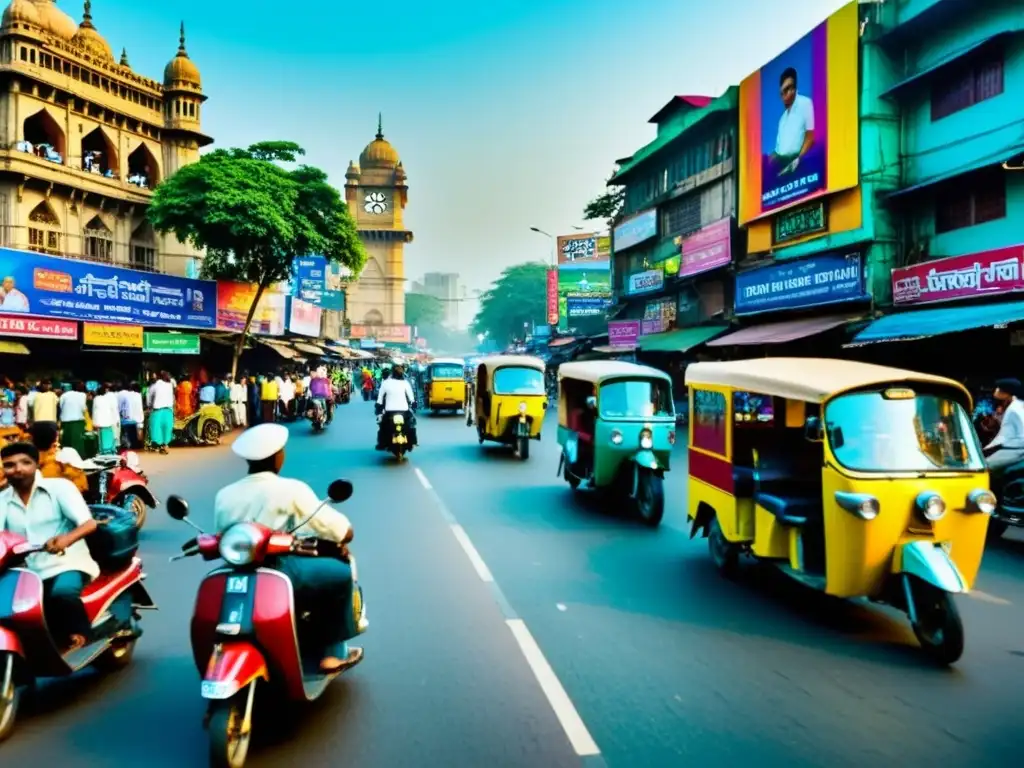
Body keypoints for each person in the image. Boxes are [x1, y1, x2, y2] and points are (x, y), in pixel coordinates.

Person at [213, 424, 363, 673]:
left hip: (236, 573)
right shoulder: (290, 490)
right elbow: (341, 530)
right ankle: (333, 653)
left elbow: (223, 535)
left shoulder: (225, 495)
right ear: (277, 457)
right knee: (341, 575)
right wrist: (338, 539)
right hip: (282, 569)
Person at [0, 442, 100, 651]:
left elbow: (89, 524)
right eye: (10, 465)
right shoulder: (2, 500)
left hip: (66, 563)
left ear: (36, 465)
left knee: (61, 594)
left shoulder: (59, 488)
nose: (17, 469)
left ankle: (81, 636)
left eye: (25, 463)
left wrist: (66, 539)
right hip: (25, 570)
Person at [770, 66, 815, 176]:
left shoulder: (805, 104)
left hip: (801, 164)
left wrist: (799, 160)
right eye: (783, 92)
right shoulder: (782, 119)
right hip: (783, 167)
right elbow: (778, 150)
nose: (787, 94)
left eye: (790, 88)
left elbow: (811, 136)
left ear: (795, 88)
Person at [30, 421, 91, 494]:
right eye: (57, 435)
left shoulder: (29, 460)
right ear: (54, 438)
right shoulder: (64, 457)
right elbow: (82, 486)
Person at [985, 378, 1024, 471]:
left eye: (998, 388)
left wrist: (986, 450)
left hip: (1017, 450)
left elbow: (1004, 436)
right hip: (1016, 449)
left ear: (1006, 393)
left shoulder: (1014, 409)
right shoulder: (1017, 405)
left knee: (983, 467)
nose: (996, 390)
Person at [376, 364, 417, 449]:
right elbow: (411, 397)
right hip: (404, 410)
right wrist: (413, 404)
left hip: (389, 411)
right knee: (411, 425)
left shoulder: (385, 383)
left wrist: (379, 409)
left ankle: (382, 444)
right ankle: (412, 442)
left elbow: (379, 399)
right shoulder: (405, 383)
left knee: (382, 426)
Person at [147, 371, 174, 454]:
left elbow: (148, 401)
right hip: (168, 411)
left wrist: (149, 406)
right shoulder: (170, 385)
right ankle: (165, 445)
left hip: (157, 411)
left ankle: (157, 445)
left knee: (156, 428)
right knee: (166, 429)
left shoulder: (154, 386)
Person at [92, 383, 119, 454]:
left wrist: (94, 422)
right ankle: (110, 451)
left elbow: (94, 411)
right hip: (108, 422)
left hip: (100, 423)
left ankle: (102, 452)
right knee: (109, 437)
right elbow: (113, 410)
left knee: (101, 440)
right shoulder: (108, 399)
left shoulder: (96, 399)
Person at [120, 382, 145, 450]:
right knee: (138, 437)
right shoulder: (139, 395)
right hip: (139, 419)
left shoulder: (125, 395)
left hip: (129, 420)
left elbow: (121, 407)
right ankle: (139, 447)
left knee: (129, 437)